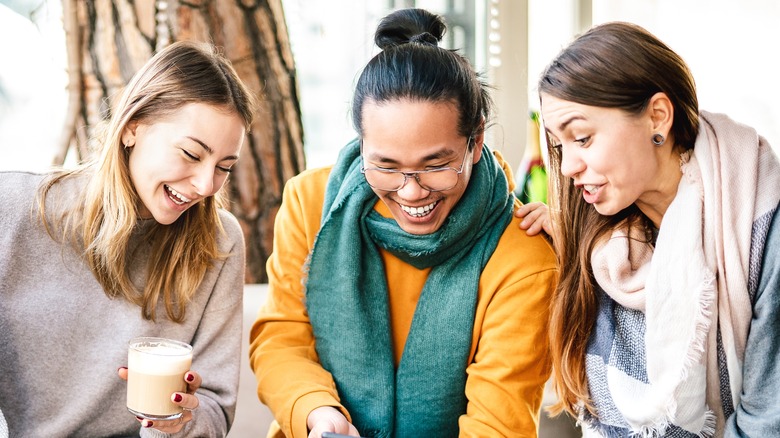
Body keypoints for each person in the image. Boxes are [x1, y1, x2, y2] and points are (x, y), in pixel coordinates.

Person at [248, 8, 557, 438]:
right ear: (362, 145)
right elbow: (283, 337)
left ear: (475, 141)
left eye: (436, 165)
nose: (411, 192)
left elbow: (497, 425)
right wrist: (319, 415)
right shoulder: (310, 204)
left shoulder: (523, 255)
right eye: (386, 166)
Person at [520, 21, 780, 437]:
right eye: (558, 145)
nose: (567, 167)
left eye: (582, 138)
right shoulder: (599, 247)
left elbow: (768, 421)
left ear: (657, 117)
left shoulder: (762, 228)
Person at [0, 41, 254, 437]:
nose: (206, 185)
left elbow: (214, 410)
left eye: (223, 166)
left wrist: (177, 423)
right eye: (190, 153)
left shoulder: (219, 242)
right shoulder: (14, 211)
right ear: (134, 127)